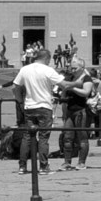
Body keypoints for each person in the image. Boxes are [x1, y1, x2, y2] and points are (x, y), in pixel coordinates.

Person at [14, 43, 63, 173]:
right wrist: (77, 83)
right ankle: (43, 166)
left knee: (27, 137)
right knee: (43, 137)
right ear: (47, 58)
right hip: (44, 107)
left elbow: (16, 86)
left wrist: (20, 101)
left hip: (29, 107)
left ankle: (22, 166)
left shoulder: (25, 69)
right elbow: (62, 84)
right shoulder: (48, 70)